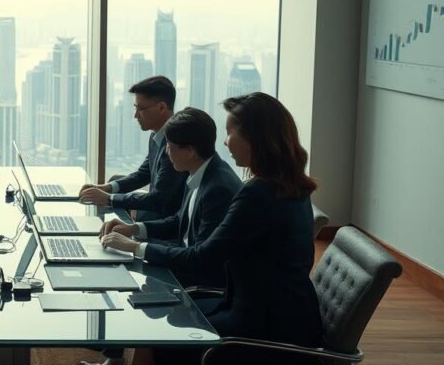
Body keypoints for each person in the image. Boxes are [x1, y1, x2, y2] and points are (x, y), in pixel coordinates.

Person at [101, 93, 322, 365]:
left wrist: (136, 248)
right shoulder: (288, 185)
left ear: (254, 138)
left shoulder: (257, 195)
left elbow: (203, 256)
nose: (226, 141)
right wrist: (136, 232)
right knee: (157, 320)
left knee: (158, 337)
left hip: (266, 325)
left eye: (230, 132)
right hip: (283, 312)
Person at [100, 107, 241, 288]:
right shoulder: (200, 172)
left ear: (190, 151)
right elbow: (179, 221)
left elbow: (199, 258)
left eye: (169, 145)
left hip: (195, 283)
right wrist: (133, 229)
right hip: (182, 265)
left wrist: (135, 247)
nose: (166, 152)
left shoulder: (218, 189)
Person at [79, 76, 186, 222]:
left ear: (161, 107)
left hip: (162, 223)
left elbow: (158, 199)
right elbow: (144, 174)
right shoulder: (156, 135)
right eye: (136, 108)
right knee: (113, 184)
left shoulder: (175, 145)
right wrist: (107, 188)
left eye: (141, 109)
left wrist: (109, 199)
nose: (136, 115)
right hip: (153, 214)